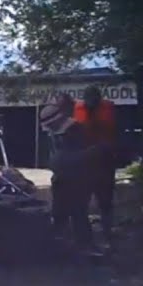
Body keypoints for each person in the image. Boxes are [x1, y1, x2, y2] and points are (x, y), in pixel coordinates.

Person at [42, 95, 104, 257]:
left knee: (78, 212)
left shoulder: (76, 130)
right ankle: (60, 246)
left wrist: (66, 161)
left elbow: (85, 155)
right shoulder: (55, 133)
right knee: (59, 212)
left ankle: (85, 246)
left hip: (78, 178)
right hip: (61, 177)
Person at [75, 85, 119, 247]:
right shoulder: (78, 110)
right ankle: (84, 238)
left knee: (105, 201)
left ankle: (107, 234)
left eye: (94, 99)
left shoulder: (109, 109)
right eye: (88, 100)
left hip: (105, 162)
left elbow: (117, 133)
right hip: (85, 163)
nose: (91, 103)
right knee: (82, 202)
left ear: (99, 99)